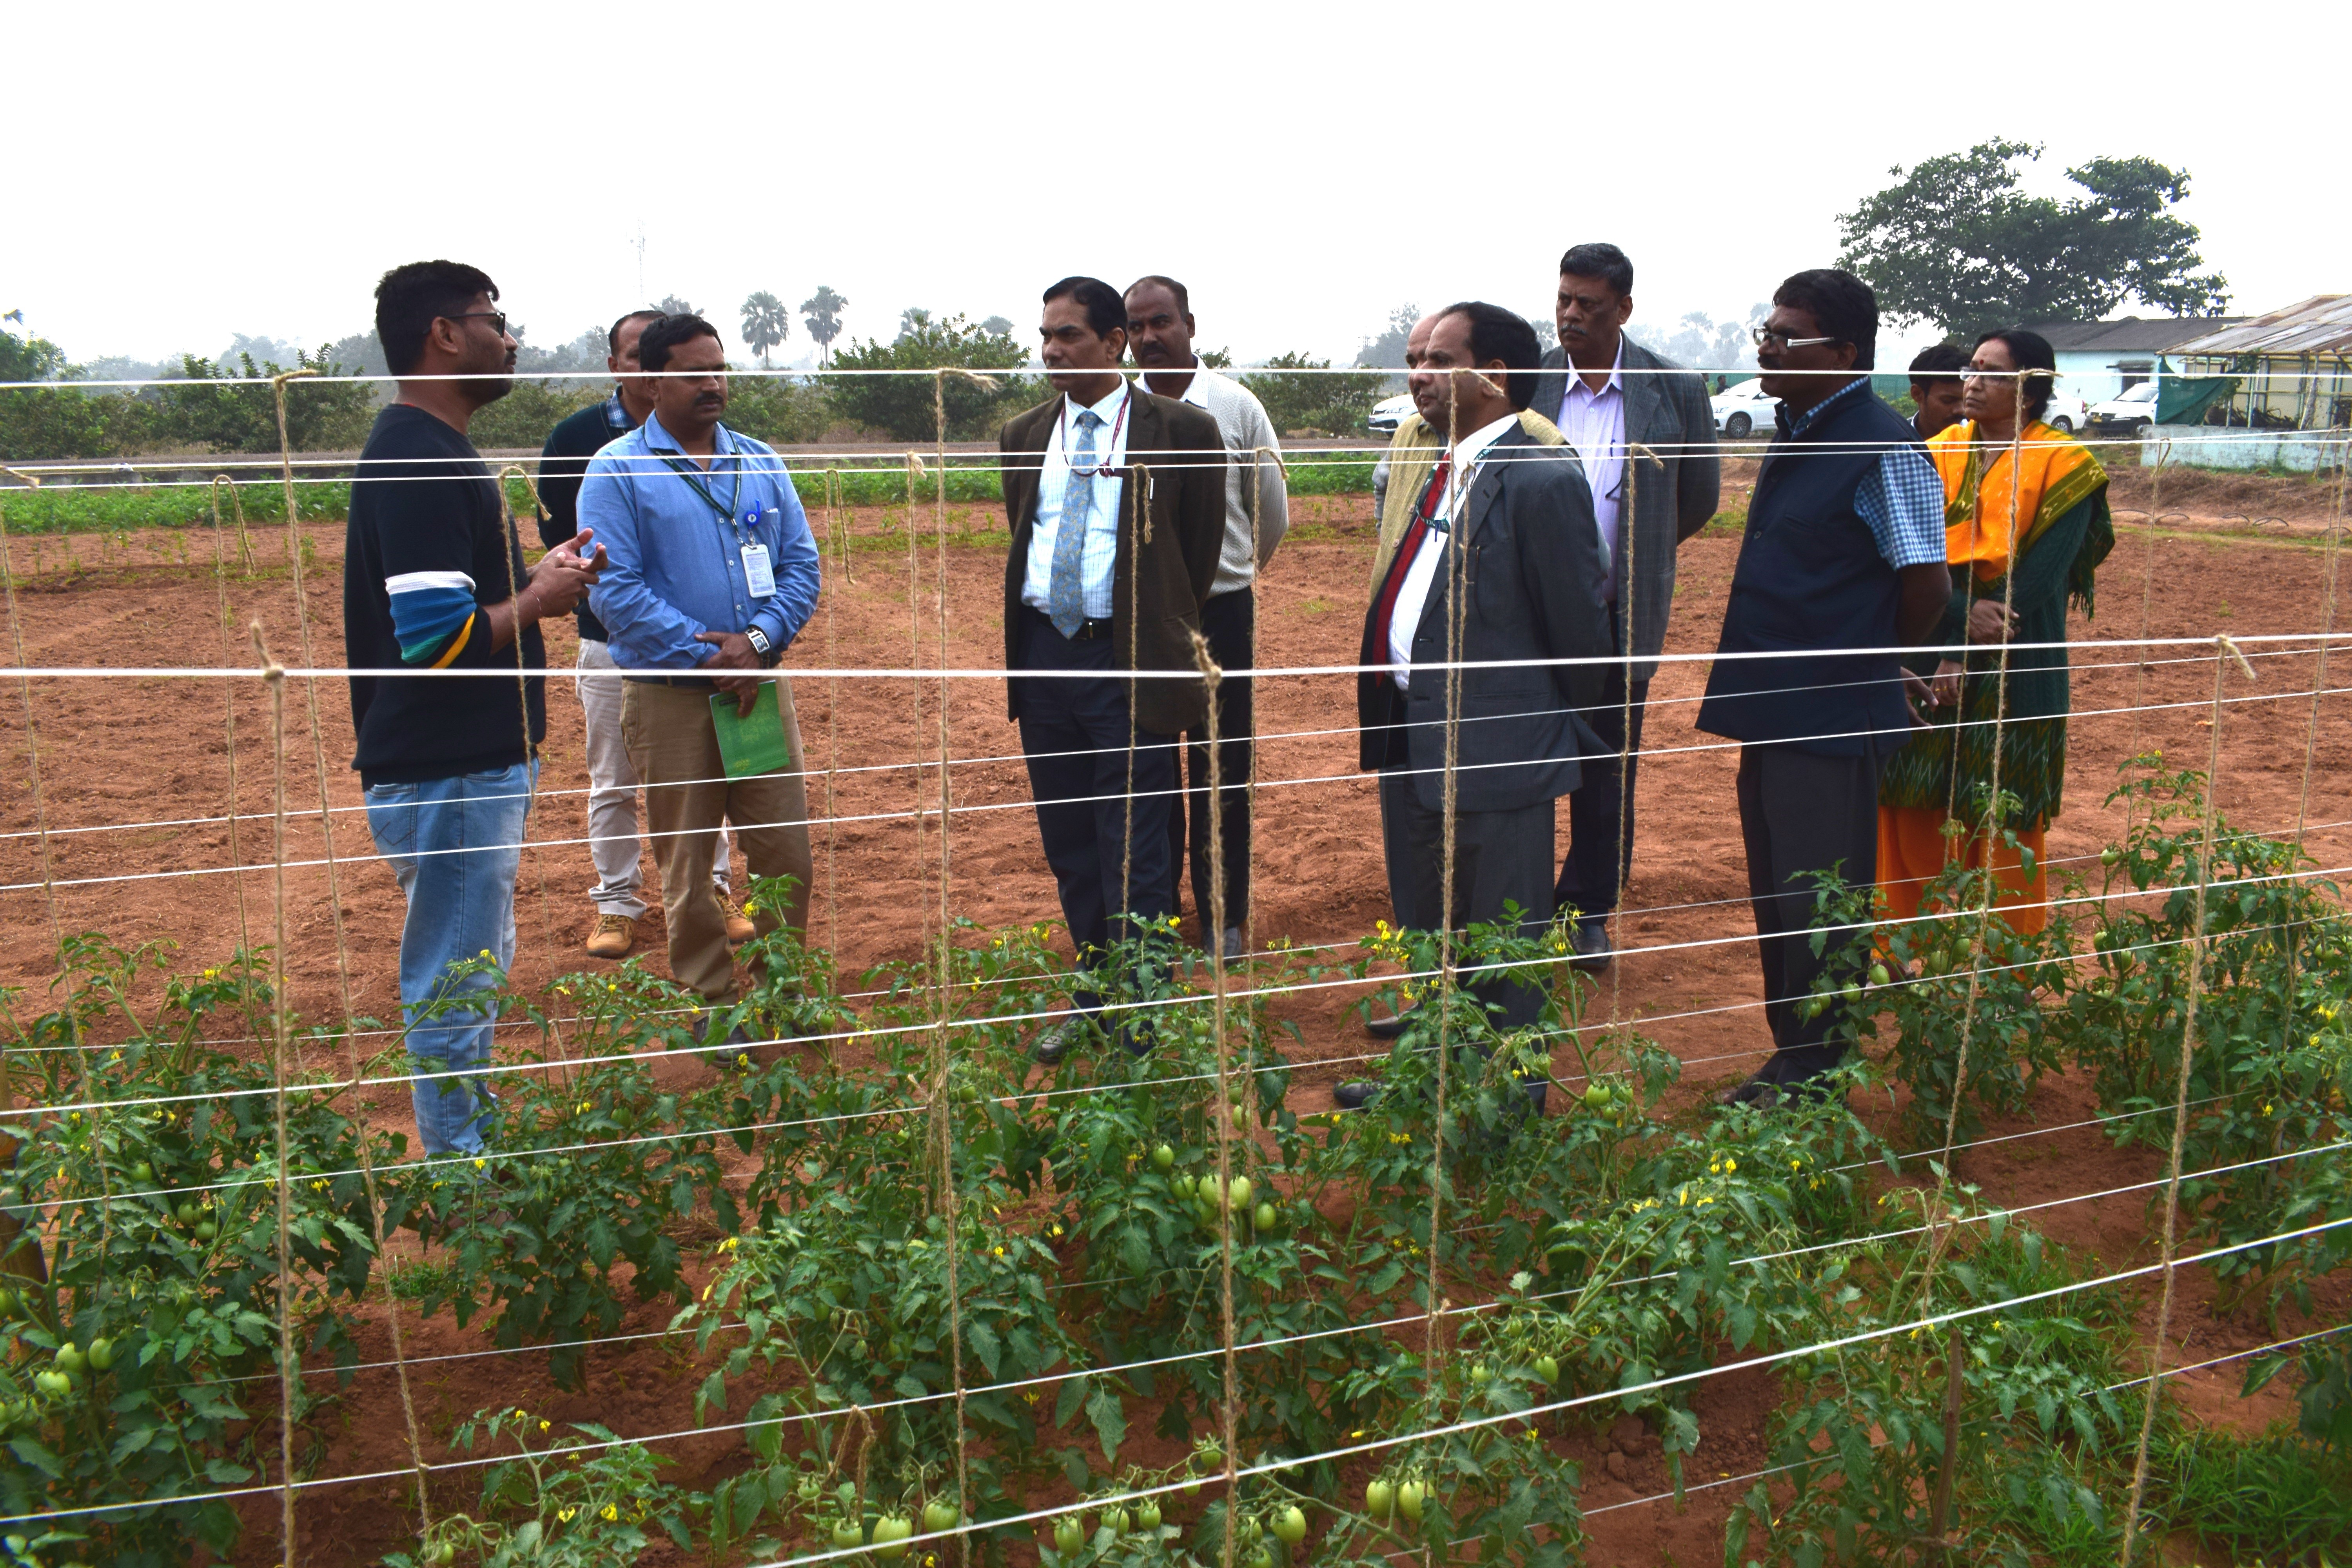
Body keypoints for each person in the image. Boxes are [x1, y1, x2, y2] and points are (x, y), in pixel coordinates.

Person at [345, 260, 604, 1156]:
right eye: (494, 318)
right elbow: (435, 639)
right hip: (448, 768)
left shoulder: (434, 448)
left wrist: (537, 579)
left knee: (471, 970)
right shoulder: (417, 457)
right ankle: (462, 1178)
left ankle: (471, 1151)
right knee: (455, 980)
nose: (510, 337)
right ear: (444, 336)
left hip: (465, 765)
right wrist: (537, 599)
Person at [1339, 302, 1612, 1111]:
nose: (1418, 374)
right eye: (1415, 359)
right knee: (1430, 920)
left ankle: (1508, 1099)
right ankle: (1433, 1080)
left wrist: (1524, 726)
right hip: (1411, 733)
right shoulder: (1442, 462)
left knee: (1502, 933)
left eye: (1437, 359)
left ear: (1493, 375)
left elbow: (1581, 636)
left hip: (1499, 751)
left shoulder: (1540, 473)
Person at [1691, 269, 1952, 1107]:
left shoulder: (1881, 443)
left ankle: (1819, 1066)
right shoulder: (1803, 431)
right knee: (1782, 887)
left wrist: (1872, 663)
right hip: (1779, 710)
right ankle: (1796, 1053)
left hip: (1832, 714)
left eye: (1786, 335)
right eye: (1766, 331)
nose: (1766, 346)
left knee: (1821, 894)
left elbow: (1927, 584)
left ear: (1844, 352)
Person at [579, 313, 821, 1049]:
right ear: (652, 382)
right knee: (687, 863)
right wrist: (708, 658)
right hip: (672, 700)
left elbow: (801, 568)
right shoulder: (616, 470)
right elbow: (612, 591)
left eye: (719, 368)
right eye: (694, 371)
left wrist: (755, 644)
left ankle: (783, 994)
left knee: (784, 852)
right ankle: (713, 1007)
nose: (713, 383)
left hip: (754, 694)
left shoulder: (760, 461)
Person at [999, 276, 1225, 1063]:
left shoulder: (1183, 430)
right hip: (1044, 655)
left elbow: (1195, 557)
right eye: (1046, 336)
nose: (1052, 350)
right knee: (1071, 841)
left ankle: (1146, 1001)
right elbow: (1023, 533)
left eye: (1068, 335)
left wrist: (1147, 626)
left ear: (1113, 343)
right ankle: (1095, 993)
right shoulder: (1023, 433)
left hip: (1126, 658)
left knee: (1136, 839)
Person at [1526, 243, 1722, 971]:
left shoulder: (1674, 389)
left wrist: (1640, 547)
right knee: (1522, 760)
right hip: (1528, 621)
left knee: (1607, 772)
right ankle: (1518, 911)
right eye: (1565, 301)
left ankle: (1586, 913)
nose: (1572, 317)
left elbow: (1696, 497)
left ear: (1625, 309)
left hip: (1618, 618)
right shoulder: (1529, 382)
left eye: (1590, 306)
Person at [1878, 329, 2114, 931]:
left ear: (2031, 388)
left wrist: (1966, 636)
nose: (1972, 382)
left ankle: (2007, 974)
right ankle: (1901, 951)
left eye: (1991, 372)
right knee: (1909, 802)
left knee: (2008, 819)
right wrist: (1956, 628)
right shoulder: (1938, 450)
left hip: (2020, 664)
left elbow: (2042, 579)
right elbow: (1909, 556)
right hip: (1931, 654)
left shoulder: (2066, 464)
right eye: (1971, 369)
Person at [537, 310, 751, 960]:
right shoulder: (580, 440)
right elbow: (570, 548)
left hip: (712, 650)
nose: (643, 369)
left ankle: (714, 887)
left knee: (710, 773)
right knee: (615, 776)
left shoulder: (723, 440)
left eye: (709, 370)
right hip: (614, 641)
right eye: (634, 357)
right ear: (622, 367)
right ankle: (617, 902)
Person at [1123, 275, 1289, 961]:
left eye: (1161, 322)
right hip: (1143, 620)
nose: (1148, 338)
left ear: (1191, 323)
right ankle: (1158, 918)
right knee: (1151, 771)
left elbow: (1270, 510)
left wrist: (1235, 569)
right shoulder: (1118, 412)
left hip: (1221, 612)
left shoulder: (1235, 406)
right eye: (1135, 328)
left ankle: (1225, 916)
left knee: (1224, 767)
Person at [1906, 343, 1970, 443]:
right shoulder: (1896, 442)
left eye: (1966, 399)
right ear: (1917, 394)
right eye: (1948, 401)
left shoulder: (1983, 442)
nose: (1961, 410)